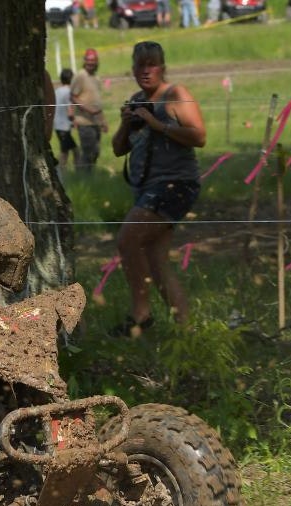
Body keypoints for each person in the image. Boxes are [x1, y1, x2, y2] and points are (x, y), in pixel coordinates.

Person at [109, 41, 205, 336]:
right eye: (140, 65)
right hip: (146, 187)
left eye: (152, 64)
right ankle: (186, 329)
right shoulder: (136, 100)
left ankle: (141, 314)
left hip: (174, 185)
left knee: (127, 240)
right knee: (156, 259)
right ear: (133, 69)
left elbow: (199, 136)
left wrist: (156, 123)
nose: (146, 70)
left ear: (162, 67)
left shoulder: (176, 94)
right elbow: (117, 149)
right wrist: (127, 124)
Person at [70, 49, 107, 171]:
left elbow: (97, 102)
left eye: (93, 60)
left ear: (97, 62)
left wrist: (103, 121)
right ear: (84, 61)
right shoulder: (80, 75)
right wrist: (87, 109)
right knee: (89, 151)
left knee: (95, 151)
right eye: (88, 60)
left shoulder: (96, 78)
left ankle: (88, 175)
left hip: (96, 121)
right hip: (84, 121)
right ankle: (82, 177)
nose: (90, 63)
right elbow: (73, 96)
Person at [53, 68, 78, 169]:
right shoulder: (68, 92)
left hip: (57, 125)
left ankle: (63, 173)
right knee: (69, 152)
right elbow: (70, 111)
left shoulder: (57, 91)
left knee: (67, 151)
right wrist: (75, 121)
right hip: (63, 127)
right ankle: (60, 173)